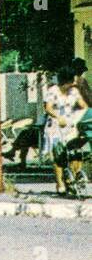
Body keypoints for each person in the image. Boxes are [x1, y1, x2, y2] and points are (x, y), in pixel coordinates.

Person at [43, 66, 87, 195]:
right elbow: (48, 108)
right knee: (59, 154)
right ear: (66, 81)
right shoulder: (53, 91)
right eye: (72, 80)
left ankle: (72, 180)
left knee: (74, 151)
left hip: (70, 124)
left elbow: (83, 105)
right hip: (55, 125)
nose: (74, 83)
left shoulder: (74, 92)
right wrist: (58, 117)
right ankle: (60, 183)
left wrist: (76, 117)